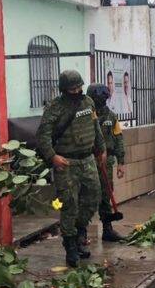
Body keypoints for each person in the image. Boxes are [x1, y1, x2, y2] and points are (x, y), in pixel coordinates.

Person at [37, 70, 105, 267]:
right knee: (69, 205)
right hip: (66, 163)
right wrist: (52, 157)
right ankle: (71, 246)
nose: (76, 91)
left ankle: (80, 231)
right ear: (64, 89)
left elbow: (96, 127)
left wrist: (101, 149)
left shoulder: (88, 103)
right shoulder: (55, 108)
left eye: (78, 87)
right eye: (71, 89)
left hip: (88, 160)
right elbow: (43, 136)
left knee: (93, 198)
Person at [87, 84, 126, 242]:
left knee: (106, 194)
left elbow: (118, 139)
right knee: (87, 197)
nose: (101, 100)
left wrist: (121, 162)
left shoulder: (111, 116)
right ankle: (81, 233)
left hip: (107, 160)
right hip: (88, 160)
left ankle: (107, 229)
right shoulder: (86, 116)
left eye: (104, 97)